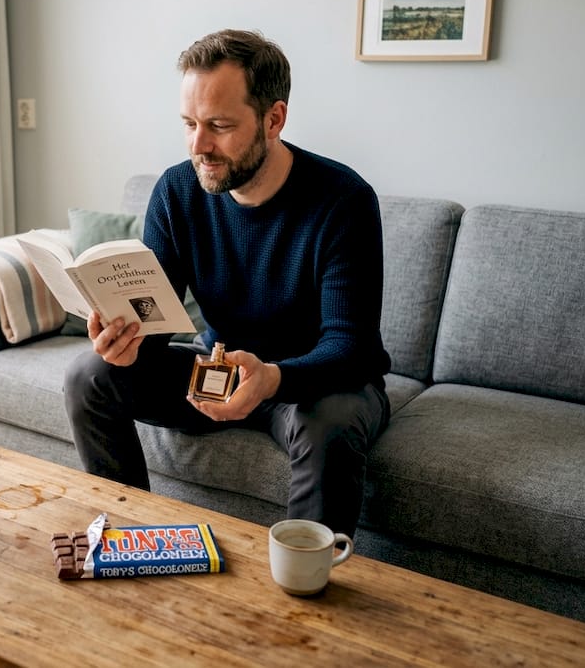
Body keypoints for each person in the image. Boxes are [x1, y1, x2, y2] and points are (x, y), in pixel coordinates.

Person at [63, 29, 391, 537]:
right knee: (89, 375)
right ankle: (130, 540)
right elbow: (155, 322)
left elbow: (353, 347)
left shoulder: (343, 201)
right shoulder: (176, 191)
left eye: (218, 125)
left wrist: (273, 377)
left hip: (316, 381)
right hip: (218, 370)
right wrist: (125, 346)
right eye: (189, 124)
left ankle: (309, 592)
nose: (199, 146)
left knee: (329, 427)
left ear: (274, 119)